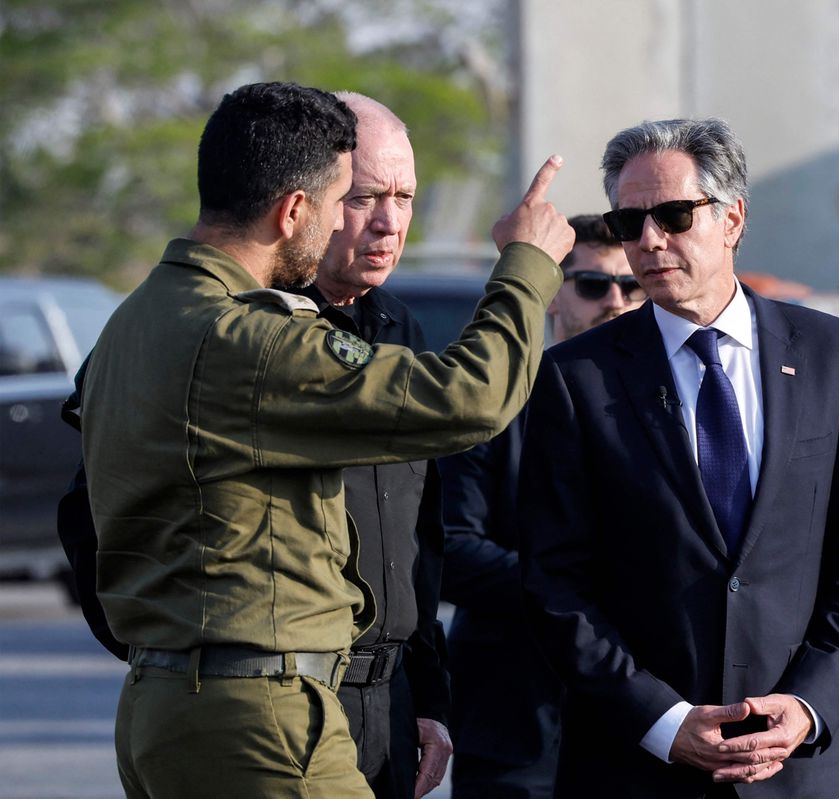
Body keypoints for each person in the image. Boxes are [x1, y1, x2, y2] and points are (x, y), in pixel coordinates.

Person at [75, 81, 573, 798]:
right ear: (293, 210)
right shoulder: (246, 336)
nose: (370, 221)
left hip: (173, 699)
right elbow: (473, 398)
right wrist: (526, 265)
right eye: (350, 199)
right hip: (260, 712)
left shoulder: (138, 320)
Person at [516, 117, 839, 798]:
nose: (650, 241)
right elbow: (556, 582)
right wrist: (662, 720)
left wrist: (808, 705)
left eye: (672, 215)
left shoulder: (832, 356)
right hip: (636, 766)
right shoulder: (576, 378)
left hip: (795, 767)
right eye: (629, 222)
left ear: (733, 220)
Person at [439, 214, 644, 798]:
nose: (616, 300)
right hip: (516, 725)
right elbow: (451, 548)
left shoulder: (673, 407)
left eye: (632, 286)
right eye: (594, 285)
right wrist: (571, 593)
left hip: (639, 725)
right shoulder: (495, 403)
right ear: (554, 293)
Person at [295, 92, 448, 799]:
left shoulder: (401, 328)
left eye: (404, 196)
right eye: (363, 198)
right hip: (286, 703)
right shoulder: (250, 330)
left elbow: (420, 536)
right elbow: (100, 512)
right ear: (309, 199)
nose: (390, 223)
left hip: (389, 702)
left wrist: (429, 695)